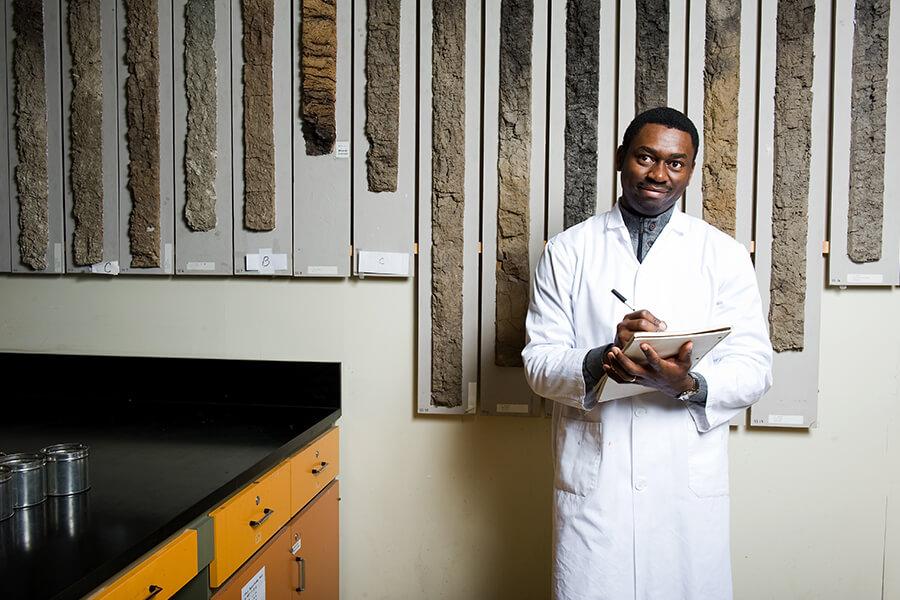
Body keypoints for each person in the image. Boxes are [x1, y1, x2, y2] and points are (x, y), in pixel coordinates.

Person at [522, 107, 773, 600]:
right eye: (646, 157)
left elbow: (755, 367)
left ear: (691, 170)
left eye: (676, 163)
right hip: (599, 483)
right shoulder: (569, 251)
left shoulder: (721, 255)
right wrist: (604, 359)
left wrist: (685, 383)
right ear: (620, 160)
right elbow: (538, 362)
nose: (660, 174)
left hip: (684, 478)